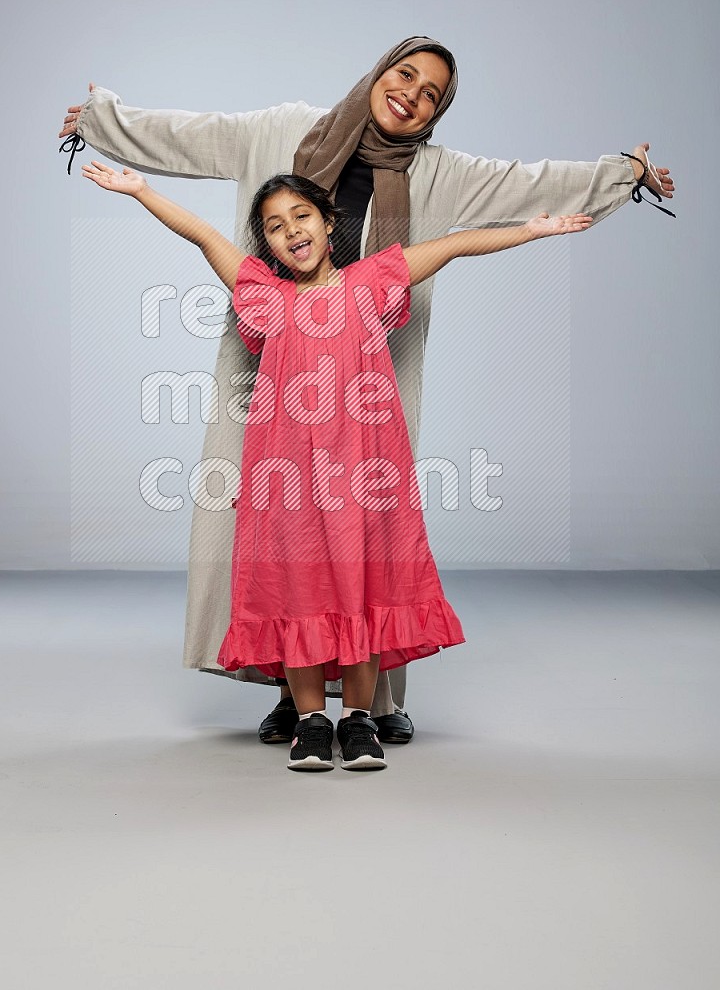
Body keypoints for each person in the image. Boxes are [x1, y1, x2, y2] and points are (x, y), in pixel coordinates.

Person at [59, 36, 675, 748]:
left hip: (368, 371)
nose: (411, 94)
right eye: (405, 74)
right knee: (267, 532)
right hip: (267, 358)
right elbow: (190, 142)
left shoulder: (441, 172)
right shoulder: (283, 130)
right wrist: (101, 122)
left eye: (431, 95)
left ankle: (372, 701)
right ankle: (294, 696)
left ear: (435, 114)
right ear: (381, 70)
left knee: (369, 535)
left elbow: (524, 188)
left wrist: (619, 173)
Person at [80, 159, 594, 771]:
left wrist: (528, 232)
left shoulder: (372, 282)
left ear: (329, 223)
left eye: (302, 217)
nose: (291, 231)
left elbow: (455, 245)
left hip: (365, 475)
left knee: (363, 582)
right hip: (287, 482)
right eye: (274, 226)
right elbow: (201, 234)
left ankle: (356, 719)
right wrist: (142, 191)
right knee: (296, 587)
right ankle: (310, 721)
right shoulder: (263, 298)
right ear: (266, 242)